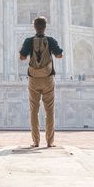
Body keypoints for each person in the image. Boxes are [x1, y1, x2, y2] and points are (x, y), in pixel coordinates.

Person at [18, 16, 64, 147]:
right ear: (45, 27)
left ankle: (36, 141)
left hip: (33, 79)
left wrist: (27, 52)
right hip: (48, 78)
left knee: (34, 110)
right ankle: (50, 142)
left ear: (34, 27)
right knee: (49, 111)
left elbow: (21, 57)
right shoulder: (50, 40)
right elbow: (59, 55)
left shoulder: (29, 41)